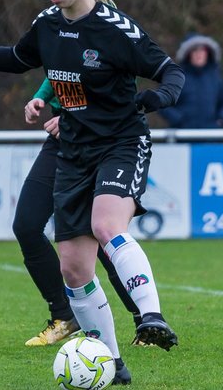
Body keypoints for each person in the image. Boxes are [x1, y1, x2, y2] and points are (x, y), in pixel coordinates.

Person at [0, 0, 184, 384]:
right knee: (74, 268)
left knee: (106, 226)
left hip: (120, 143)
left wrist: (159, 99)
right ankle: (111, 364)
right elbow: (19, 58)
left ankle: (152, 317)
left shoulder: (115, 29)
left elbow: (170, 71)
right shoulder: (48, 23)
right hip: (72, 150)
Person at [17, 78, 144, 350]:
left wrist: (75, 122)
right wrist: (39, 97)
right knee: (26, 225)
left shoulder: (112, 39)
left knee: (99, 235)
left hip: (100, 144)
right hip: (60, 143)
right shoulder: (56, 37)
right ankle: (64, 315)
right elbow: (58, 70)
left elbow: (113, 91)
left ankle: (144, 319)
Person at [158, 33, 223, 129]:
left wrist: (221, 120)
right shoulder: (177, 77)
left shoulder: (215, 77)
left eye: (202, 50)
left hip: (211, 137)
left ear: (207, 53)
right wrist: (178, 120)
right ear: (188, 54)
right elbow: (162, 103)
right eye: (195, 50)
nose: (199, 54)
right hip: (183, 138)